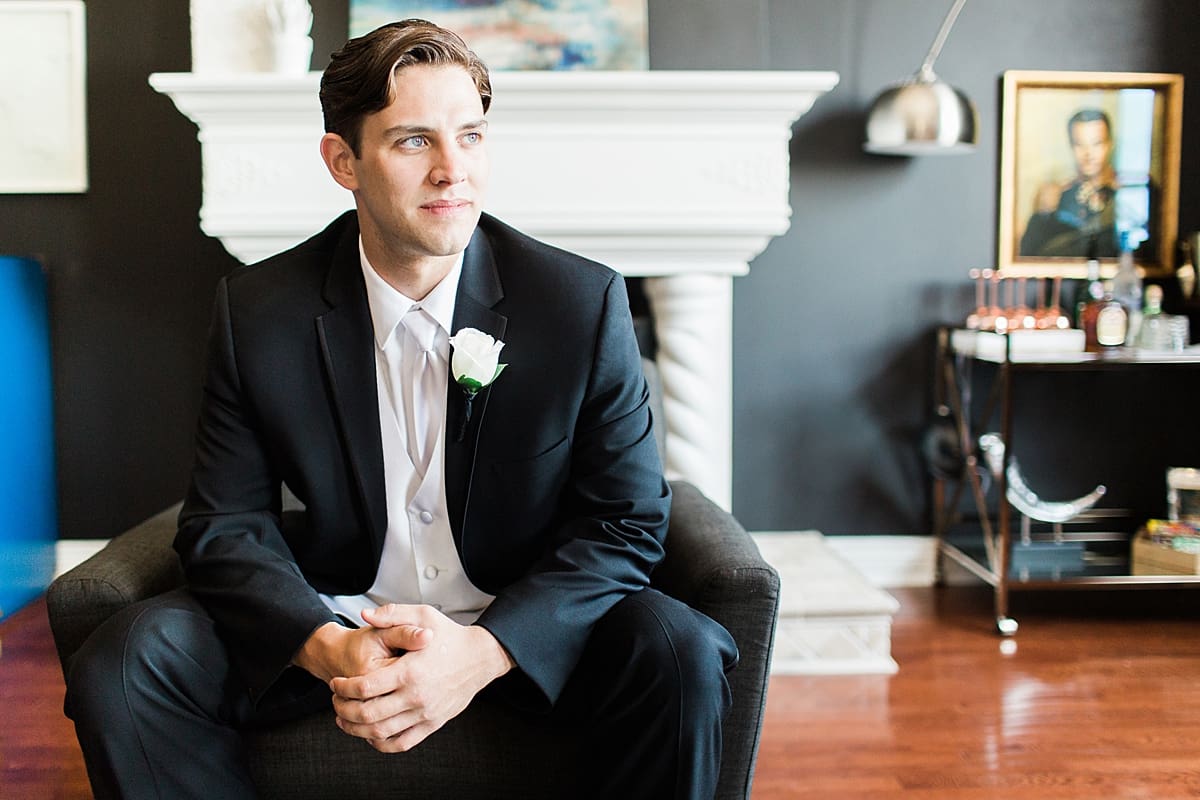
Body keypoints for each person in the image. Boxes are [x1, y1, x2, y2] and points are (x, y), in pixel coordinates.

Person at [63, 18, 737, 800]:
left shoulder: (579, 303)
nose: (454, 171)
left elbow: (624, 522)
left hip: (520, 630)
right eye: (415, 141)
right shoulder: (260, 312)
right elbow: (224, 524)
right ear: (343, 161)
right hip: (339, 618)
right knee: (124, 660)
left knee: (679, 649)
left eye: (472, 136)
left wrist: (483, 652)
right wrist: (325, 647)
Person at [1019, 107, 1121, 258]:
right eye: (1080, 144)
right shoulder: (1058, 197)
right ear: (1071, 146)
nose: (1088, 154)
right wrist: (1042, 215)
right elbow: (1029, 253)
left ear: (1109, 144)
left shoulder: (1126, 194)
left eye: (1097, 144)